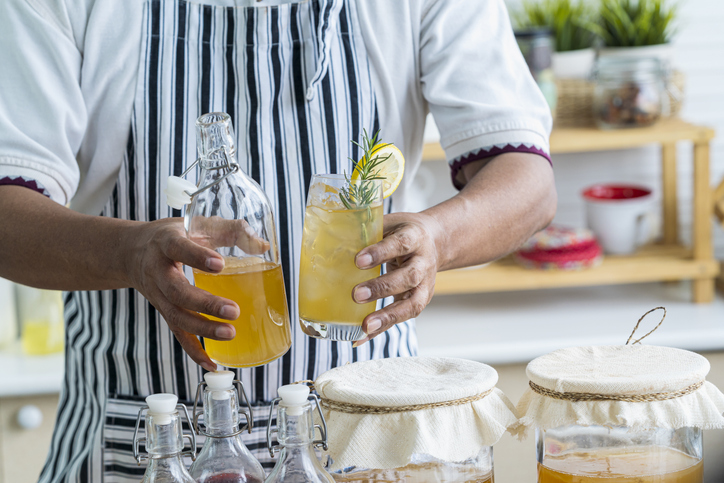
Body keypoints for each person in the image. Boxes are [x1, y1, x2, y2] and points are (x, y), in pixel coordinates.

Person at [0, 0, 556, 480]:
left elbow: (528, 182)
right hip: (142, 440)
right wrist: (128, 252)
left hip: (370, 442)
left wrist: (439, 236)